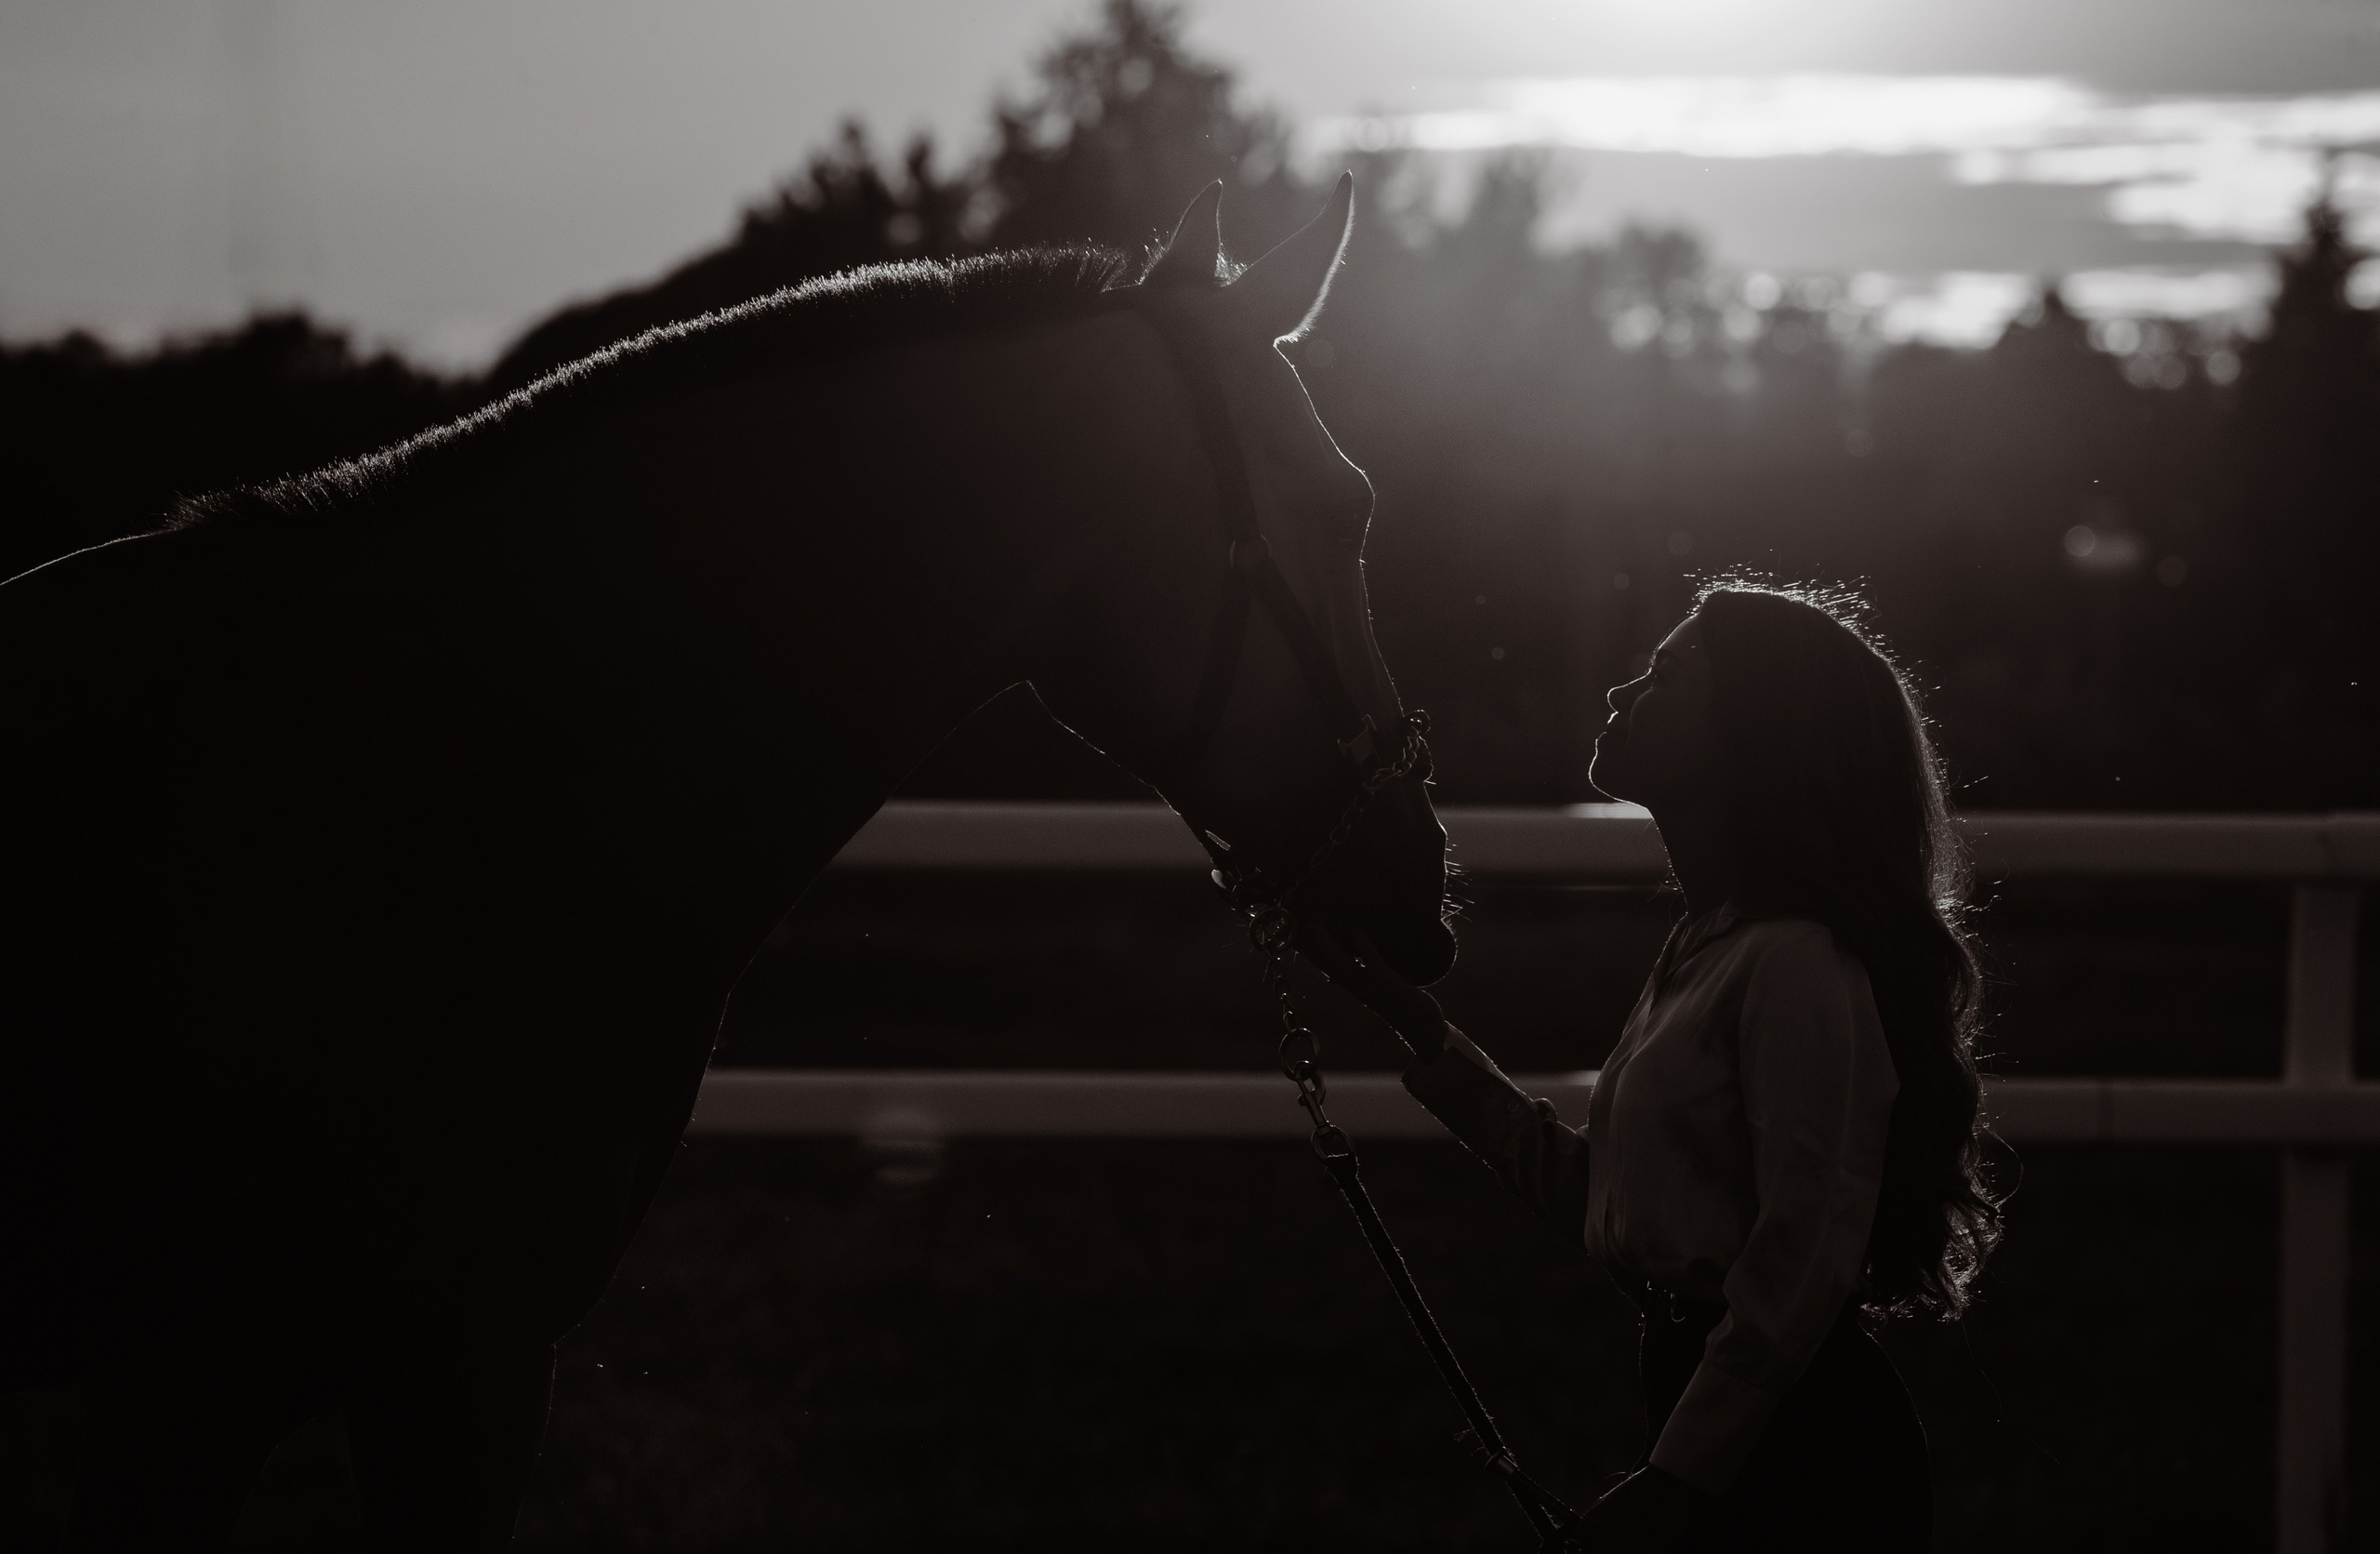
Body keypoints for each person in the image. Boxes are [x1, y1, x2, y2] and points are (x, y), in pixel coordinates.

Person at [1311, 584, 2002, 1552]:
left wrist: (1679, 1479)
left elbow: (1799, 1259)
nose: (1616, 692)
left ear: (1752, 732)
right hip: (1730, 1414)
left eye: (1665, 677)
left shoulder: (1796, 963)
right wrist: (1424, 1038)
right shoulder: (1709, 944)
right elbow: (1616, 1201)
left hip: (1801, 1454)